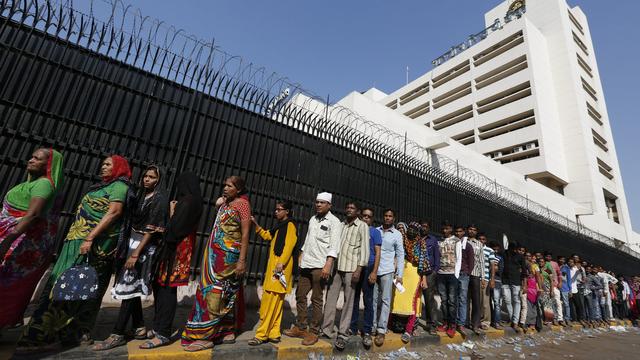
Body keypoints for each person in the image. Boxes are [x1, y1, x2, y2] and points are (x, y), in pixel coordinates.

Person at [19, 155, 132, 349]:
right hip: (75, 241)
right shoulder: (100, 187)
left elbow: (114, 213)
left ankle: (54, 333)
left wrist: (90, 237)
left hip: (95, 246)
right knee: (63, 284)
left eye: (108, 164)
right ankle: (53, 332)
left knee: (77, 288)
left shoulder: (120, 187)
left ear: (119, 167)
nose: (102, 166)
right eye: (102, 163)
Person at [93, 165, 168, 350]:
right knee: (130, 286)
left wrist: (136, 253)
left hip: (143, 247)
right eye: (145, 176)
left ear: (159, 180)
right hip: (131, 242)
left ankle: (117, 333)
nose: (147, 179)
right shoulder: (141, 195)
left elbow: (151, 230)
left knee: (128, 286)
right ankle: (139, 326)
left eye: (151, 177)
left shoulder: (159, 199)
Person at [182, 176, 251, 351]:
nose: (225, 188)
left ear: (239, 189)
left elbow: (245, 234)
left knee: (216, 292)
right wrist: (220, 203)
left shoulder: (243, 205)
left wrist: (242, 260)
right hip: (214, 254)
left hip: (228, 258)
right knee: (223, 292)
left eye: (230, 186)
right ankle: (226, 330)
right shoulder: (225, 204)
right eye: (224, 184)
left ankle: (206, 336)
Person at [0, 149, 64, 330]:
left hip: (17, 244)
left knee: (5, 287)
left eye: (38, 159)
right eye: (32, 157)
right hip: (12, 240)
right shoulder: (32, 183)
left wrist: (6, 242)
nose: (31, 160)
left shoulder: (43, 184)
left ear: (49, 165)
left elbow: (33, 215)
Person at [141, 171, 202, 349]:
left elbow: (175, 228)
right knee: (162, 288)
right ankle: (159, 327)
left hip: (174, 252)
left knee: (166, 290)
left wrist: (172, 212)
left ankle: (163, 333)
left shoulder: (188, 202)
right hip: (178, 251)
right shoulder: (195, 201)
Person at [284, 192, 341, 346]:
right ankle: (301, 327)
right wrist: (302, 254)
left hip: (320, 266)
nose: (318, 205)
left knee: (316, 298)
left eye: (322, 202)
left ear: (329, 205)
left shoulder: (334, 222)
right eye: (317, 202)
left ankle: (314, 331)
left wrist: (328, 264)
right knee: (300, 295)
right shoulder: (312, 219)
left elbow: (334, 245)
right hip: (307, 263)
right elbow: (308, 238)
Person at [248, 200, 297, 345]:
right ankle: (274, 332)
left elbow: (289, 245)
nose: (276, 212)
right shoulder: (279, 226)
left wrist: (281, 262)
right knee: (275, 301)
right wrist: (256, 224)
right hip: (276, 267)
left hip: (280, 268)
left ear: (287, 211)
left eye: (279, 209)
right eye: (275, 209)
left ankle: (262, 334)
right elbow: (268, 235)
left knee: (271, 300)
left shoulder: (290, 225)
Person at [322, 201, 369, 351]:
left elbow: (365, 250)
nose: (349, 210)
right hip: (336, 268)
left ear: (358, 211)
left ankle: (342, 333)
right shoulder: (341, 225)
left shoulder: (362, 226)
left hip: (351, 269)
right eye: (347, 207)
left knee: (348, 302)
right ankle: (326, 330)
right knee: (330, 298)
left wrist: (359, 270)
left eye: (352, 208)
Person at [391, 222, 430, 343]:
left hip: (415, 274)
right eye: (410, 228)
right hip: (401, 272)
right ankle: (389, 325)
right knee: (395, 298)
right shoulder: (402, 240)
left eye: (415, 229)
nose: (412, 231)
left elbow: (423, 263)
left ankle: (408, 330)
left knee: (413, 302)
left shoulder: (421, 244)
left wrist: (423, 279)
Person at [349, 207, 382, 348]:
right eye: (364, 216)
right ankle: (352, 327)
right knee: (354, 298)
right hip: (355, 267)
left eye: (369, 216)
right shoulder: (355, 229)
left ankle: (367, 331)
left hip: (368, 268)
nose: (366, 218)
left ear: (372, 219)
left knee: (368, 300)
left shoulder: (375, 232)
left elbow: (378, 253)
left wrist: (374, 272)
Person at [372, 209, 404, 346]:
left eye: (390, 216)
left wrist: (400, 274)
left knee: (385, 300)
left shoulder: (397, 234)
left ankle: (381, 329)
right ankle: (371, 327)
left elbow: (400, 254)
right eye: (385, 215)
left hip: (387, 270)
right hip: (374, 269)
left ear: (394, 218)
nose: (387, 218)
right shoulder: (376, 230)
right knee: (372, 299)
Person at [436, 221, 461, 338]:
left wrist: (456, 275)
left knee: (452, 301)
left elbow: (459, 258)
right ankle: (445, 322)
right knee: (444, 300)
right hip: (441, 274)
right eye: (443, 228)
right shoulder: (439, 240)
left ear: (451, 229)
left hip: (452, 274)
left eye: (447, 228)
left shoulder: (457, 241)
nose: (444, 231)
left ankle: (452, 325)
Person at [501, 236, 526, 333]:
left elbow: (524, 272)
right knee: (507, 300)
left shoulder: (520, 257)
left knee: (516, 301)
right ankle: (513, 319)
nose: (515, 250)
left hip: (516, 282)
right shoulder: (504, 254)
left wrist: (524, 285)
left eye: (516, 248)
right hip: (505, 281)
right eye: (513, 248)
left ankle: (515, 322)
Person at [419, 220, 440, 336]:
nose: (424, 228)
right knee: (416, 298)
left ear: (429, 228)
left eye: (426, 226)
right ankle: (414, 323)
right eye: (422, 225)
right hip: (416, 272)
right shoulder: (416, 238)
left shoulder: (433, 240)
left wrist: (435, 271)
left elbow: (437, 256)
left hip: (429, 272)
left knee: (429, 299)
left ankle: (432, 325)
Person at [455, 225, 475, 336]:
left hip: (463, 275)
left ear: (464, 232)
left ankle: (461, 323)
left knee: (462, 298)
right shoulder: (454, 244)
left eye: (460, 231)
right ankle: (454, 321)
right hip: (454, 274)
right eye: (456, 231)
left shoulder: (468, 246)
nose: (458, 233)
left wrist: (467, 272)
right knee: (454, 298)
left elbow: (471, 262)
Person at [543, 251, 564, 326]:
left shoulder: (555, 264)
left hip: (555, 285)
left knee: (557, 302)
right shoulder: (542, 263)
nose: (548, 258)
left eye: (549, 256)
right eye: (547, 256)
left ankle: (560, 319)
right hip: (546, 286)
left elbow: (559, 274)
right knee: (548, 303)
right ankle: (552, 319)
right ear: (544, 256)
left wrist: (560, 282)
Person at [523, 254, 543, 333]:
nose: (529, 258)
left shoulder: (535, 266)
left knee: (533, 306)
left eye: (530, 256)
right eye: (527, 256)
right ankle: (527, 322)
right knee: (526, 306)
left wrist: (540, 288)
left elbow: (538, 277)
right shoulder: (523, 264)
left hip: (533, 287)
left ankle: (532, 323)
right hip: (526, 285)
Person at [488, 241, 503, 329]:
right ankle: (489, 320)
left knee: (496, 302)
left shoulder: (500, 258)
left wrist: (495, 269)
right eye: (494, 249)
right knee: (487, 302)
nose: (496, 251)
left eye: (497, 249)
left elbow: (500, 270)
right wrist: (493, 268)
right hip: (486, 279)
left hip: (497, 281)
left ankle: (497, 321)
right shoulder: (488, 256)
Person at [569, 258, 587, 327]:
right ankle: (574, 319)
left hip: (578, 288)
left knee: (580, 304)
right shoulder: (571, 269)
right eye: (576, 263)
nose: (578, 265)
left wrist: (583, 280)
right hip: (572, 288)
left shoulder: (580, 269)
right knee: (572, 305)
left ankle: (581, 319)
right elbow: (572, 277)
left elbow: (583, 276)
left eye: (579, 263)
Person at [537, 256, 555, 325]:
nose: (541, 263)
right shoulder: (537, 269)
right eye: (539, 262)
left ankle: (548, 320)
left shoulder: (548, 270)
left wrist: (552, 290)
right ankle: (541, 319)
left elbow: (551, 281)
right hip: (539, 288)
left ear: (545, 263)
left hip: (547, 289)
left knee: (547, 304)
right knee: (539, 304)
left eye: (542, 262)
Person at [558, 256, 572, 325]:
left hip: (565, 288)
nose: (562, 260)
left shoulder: (566, 268)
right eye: (560, 259)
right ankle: (560, 318)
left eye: (563, 259)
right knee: (558, 304)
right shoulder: (557, 266)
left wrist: (570, 290)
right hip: (557, 287)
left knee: (566, 304)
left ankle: (567, 318)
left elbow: (569, 279)